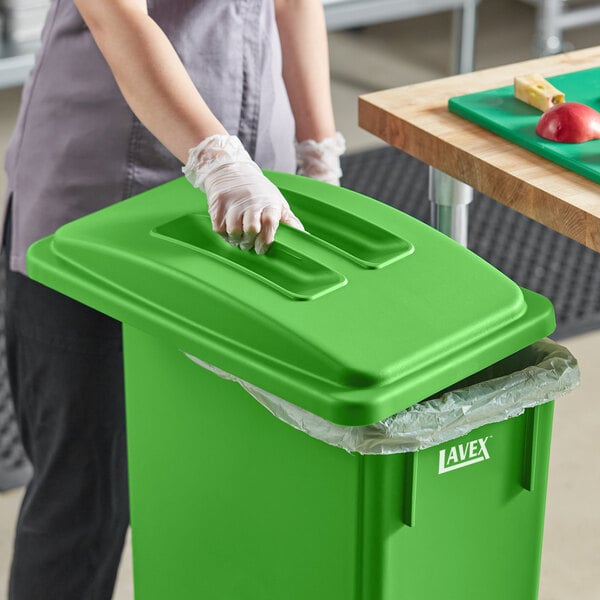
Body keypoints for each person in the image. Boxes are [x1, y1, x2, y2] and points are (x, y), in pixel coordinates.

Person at [1, 1, 345, 598]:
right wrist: (216, 159)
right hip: (99, 198)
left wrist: (320, 155)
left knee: (228, 480)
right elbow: (116, 14)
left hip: (255, 201)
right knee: (85, 497)